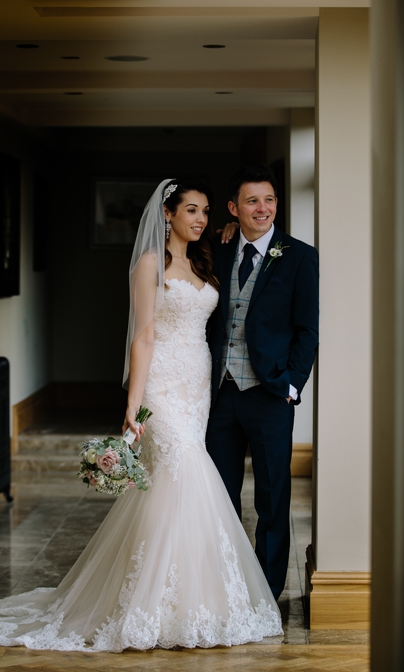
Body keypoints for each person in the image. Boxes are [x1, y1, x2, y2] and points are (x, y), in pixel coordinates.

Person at [0, 179, 283, 651]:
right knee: (187, 472)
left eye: (206, 211)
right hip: (162, 384)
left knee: (170, 487)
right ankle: (159, 602)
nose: (200, 219)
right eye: (191, 210)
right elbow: (144, 336)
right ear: (167, 214)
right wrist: (134, 404)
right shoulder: (151, 264)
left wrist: (234, 222)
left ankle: (189, 596)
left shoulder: (205, 257)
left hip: (199, 383)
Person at [205, 164, 319, 602]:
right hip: (219, 395)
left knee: (273, 499)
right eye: (252, 201)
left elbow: (307, 329)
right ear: (234, 208)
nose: (263, 208)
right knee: (219, 497)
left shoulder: (300, 255)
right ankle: (227, 586)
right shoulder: (215, 248)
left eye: (269, 199)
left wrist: (291, 384)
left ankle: (268, 594)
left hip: (271, 395)